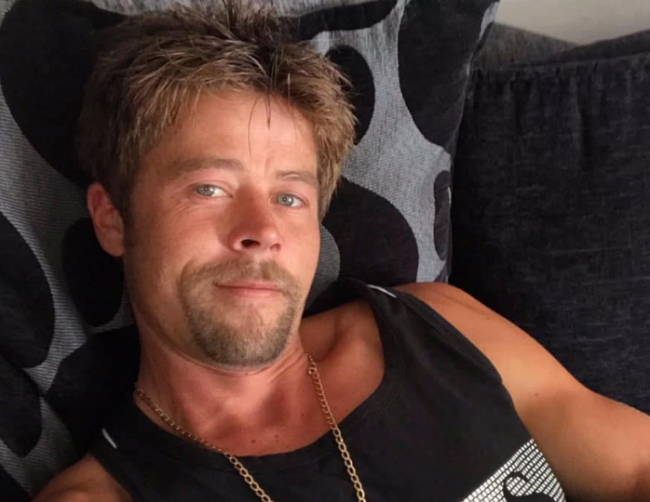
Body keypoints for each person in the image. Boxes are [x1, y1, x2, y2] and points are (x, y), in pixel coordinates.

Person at [34, 2, 650, 501]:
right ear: (112, 218)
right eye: (210, 188)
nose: (262, 230)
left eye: (290, 197)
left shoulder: (438, 327)